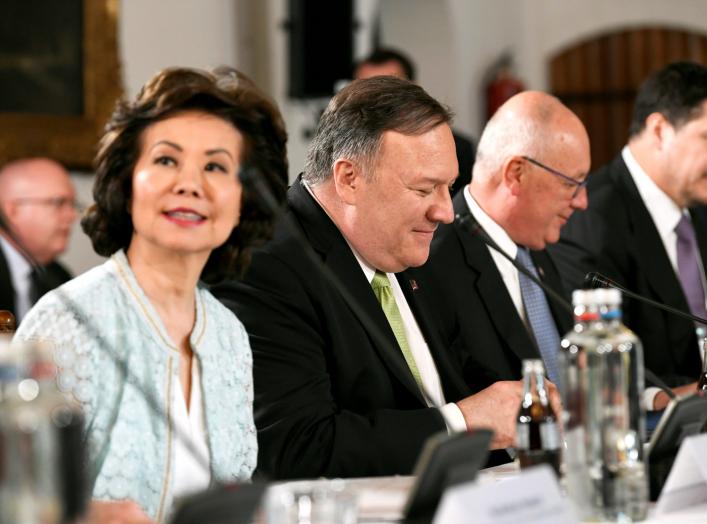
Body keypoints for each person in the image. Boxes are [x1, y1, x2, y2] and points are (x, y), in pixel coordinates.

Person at [213, 76, 528, 480]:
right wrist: (464, 423)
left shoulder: (408, 249)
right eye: (424, 189)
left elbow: (460, 383)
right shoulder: (267, 268)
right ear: (349, 178)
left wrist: (521, 407)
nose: (445, 212)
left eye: (448, 187)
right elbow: (299, 446)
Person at [15, 66, 288, 522]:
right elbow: (15, 498)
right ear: (127, 181)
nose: (189, 183)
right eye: (166, 160)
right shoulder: (66, 321)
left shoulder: (229, 334)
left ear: (243, 201)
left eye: (216, 166)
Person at [549, 62, 707, 411]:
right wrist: (677, 397)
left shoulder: (699, 205)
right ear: (660, 129)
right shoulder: (590, 219)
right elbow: (597, 362)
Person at [421, 91, 590, 392]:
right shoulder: (433, 261)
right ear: (516, 174)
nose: (583, 202)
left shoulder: (535, 243)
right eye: (570, 184)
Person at [353, 47, 476, 195]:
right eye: (366, 89)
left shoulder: (457, 149)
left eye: (388, 89)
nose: (377, 99)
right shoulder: (344, 150)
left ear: (412, 89)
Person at [0, 158, 77, 322]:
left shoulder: (60, 278)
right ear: (13, 210)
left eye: (72, 205)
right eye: (58, 202)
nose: (72, 215)